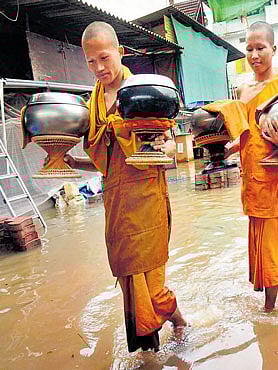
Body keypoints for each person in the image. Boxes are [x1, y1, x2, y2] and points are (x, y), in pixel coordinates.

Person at [64, 21, 187, 353]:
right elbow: (107, 160)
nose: (100, 68)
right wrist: (73, 163)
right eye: (91, 62)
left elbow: (169, 142)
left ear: (120, 52)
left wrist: (168, 149)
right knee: (131, 287)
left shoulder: (143, 91)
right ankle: (150, 354)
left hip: (146, 201)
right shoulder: (92, 104)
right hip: (117, 206)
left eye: (105, 58)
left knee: (153, 289)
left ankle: (178, 321)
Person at [225, 21, 278, 312]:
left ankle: (270, 310)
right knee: (263, 237)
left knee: (270, 241)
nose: (255, 55)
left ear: (274, 48)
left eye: (261, 48)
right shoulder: (242, 89)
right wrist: (234, 145)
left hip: (272, 174)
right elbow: (247, 130)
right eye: (249, 49)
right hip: (250, 175)